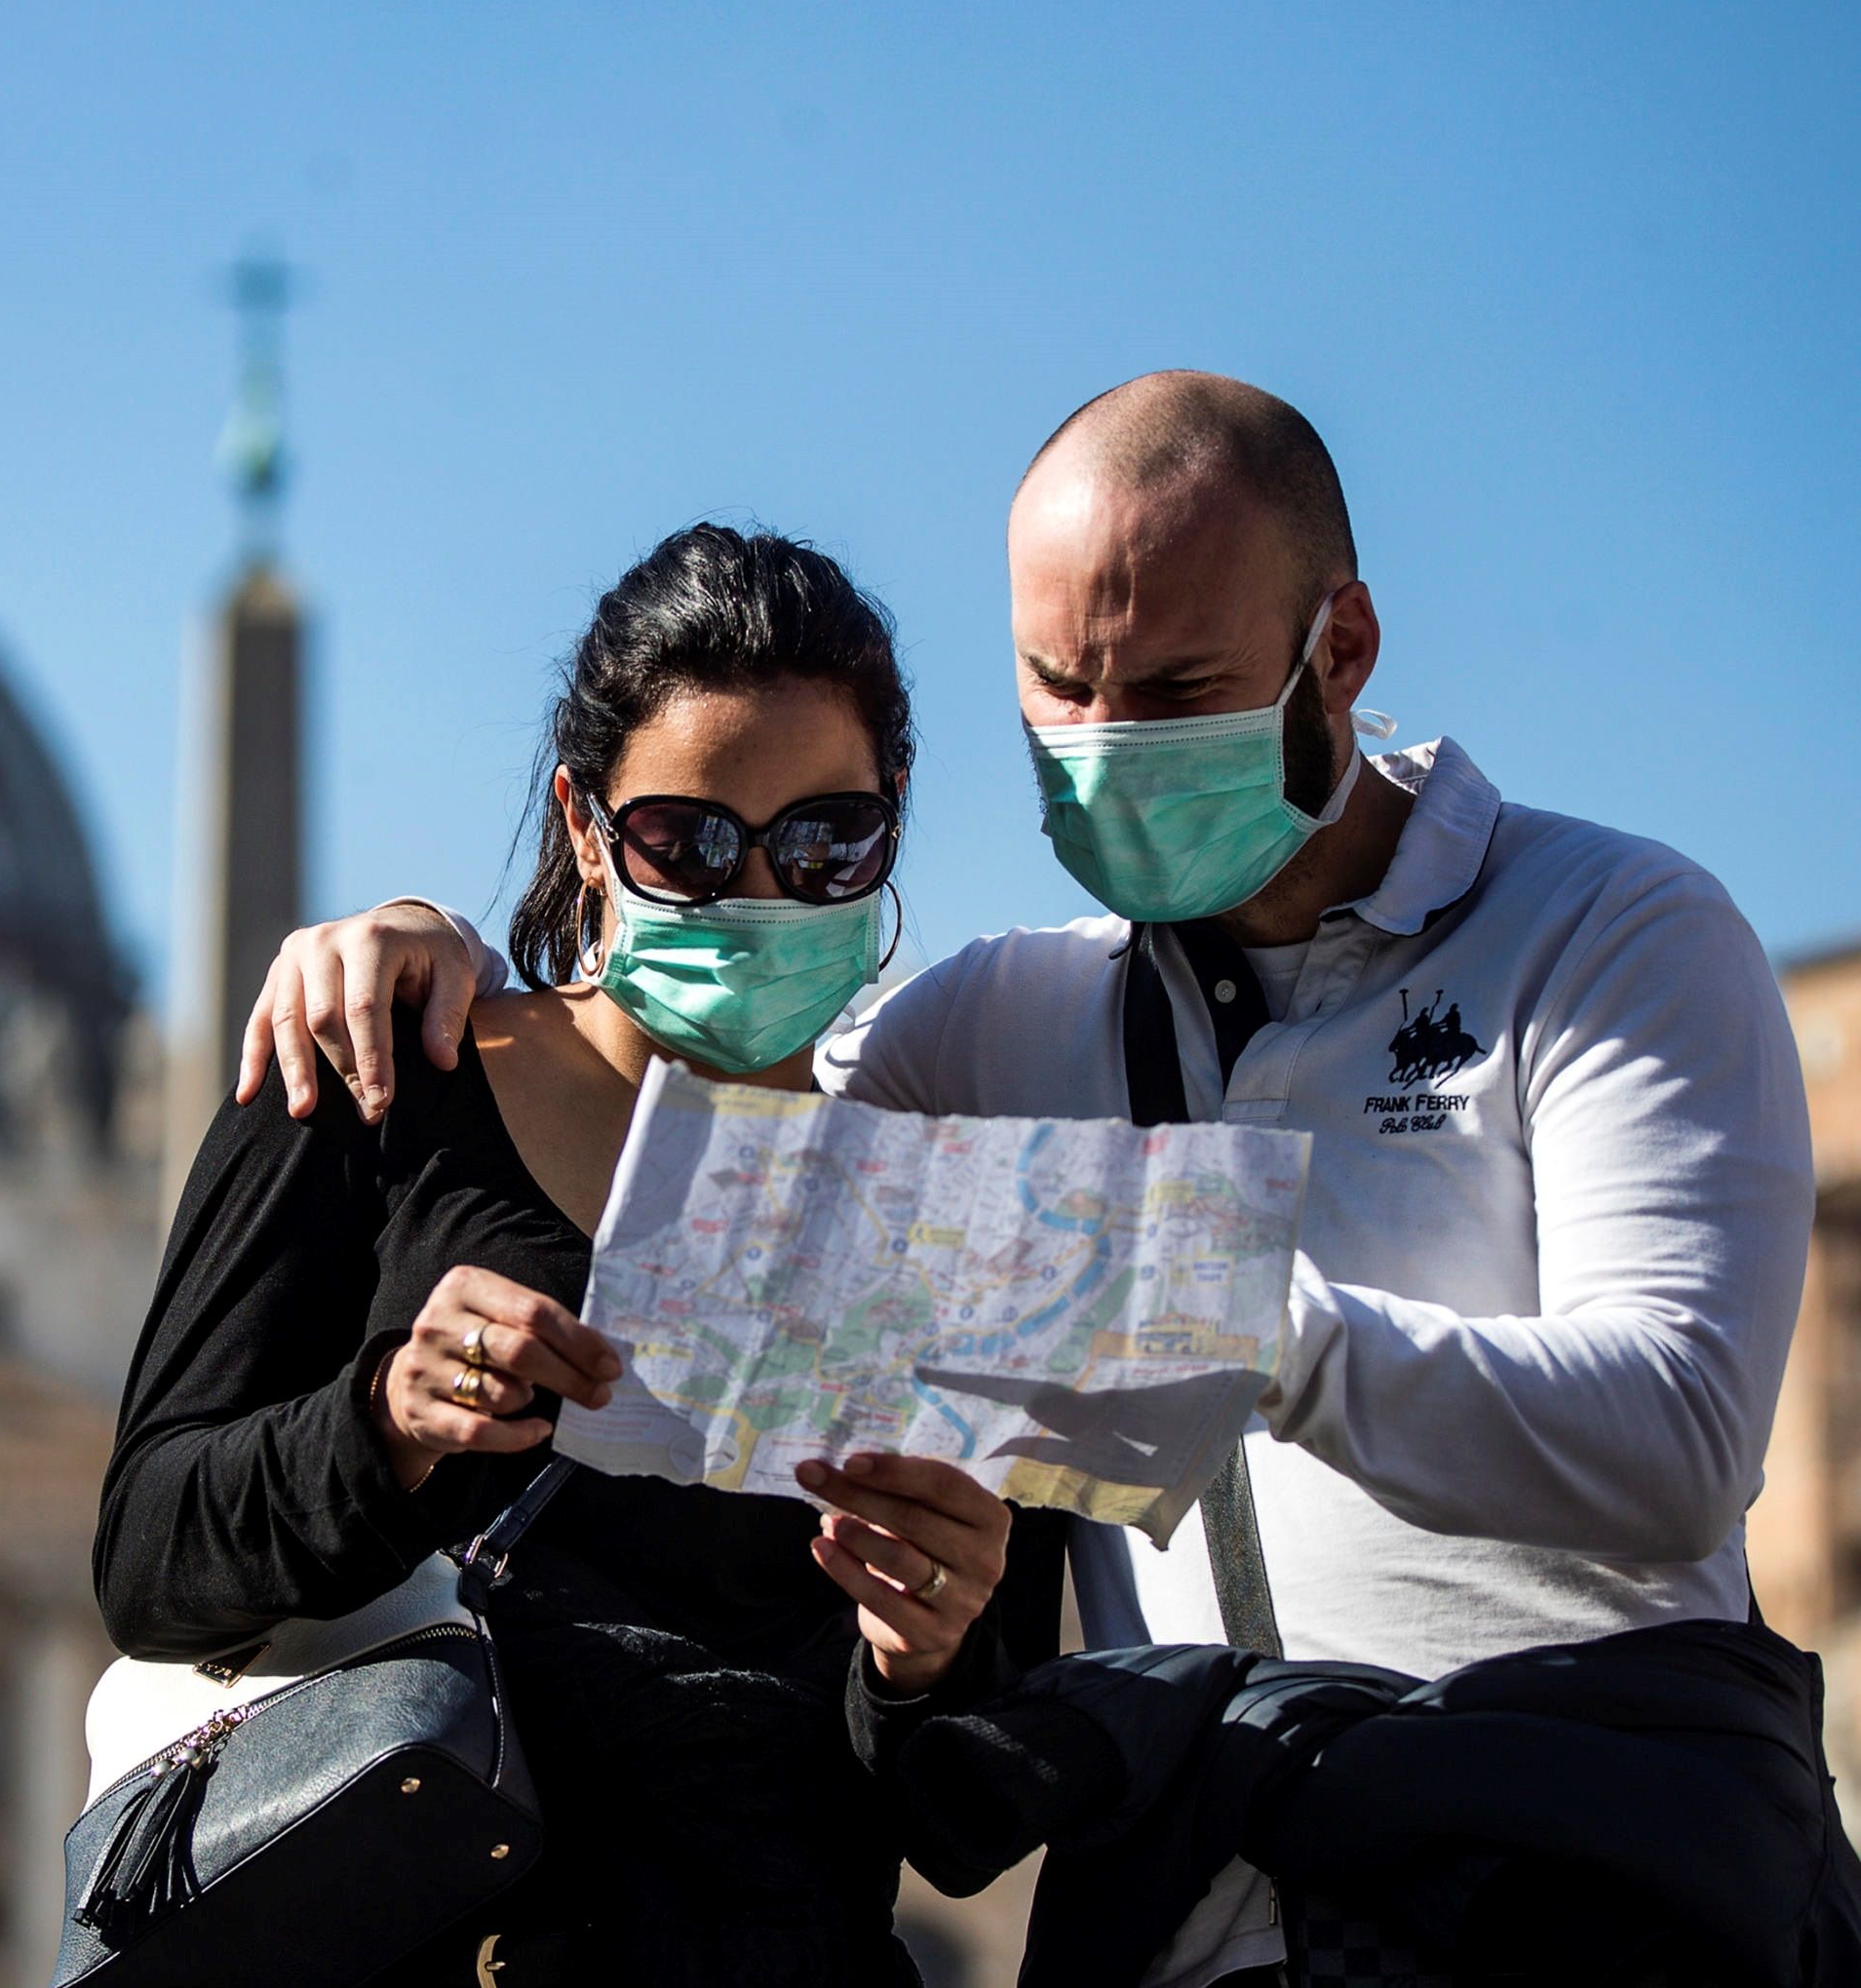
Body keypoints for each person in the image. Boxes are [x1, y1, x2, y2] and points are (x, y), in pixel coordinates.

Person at [232, 373, 1820, 1985]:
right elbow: (704, 1113)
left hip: (1565, 1883)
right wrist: (437, 947)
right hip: (1193, 1914)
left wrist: (1243, 1320)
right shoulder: (1004, 1022)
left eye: (1175, 691)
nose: (1107, 748)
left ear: (1337, 652)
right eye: (1061, 690)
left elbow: (1680, 1437)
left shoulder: (1610, 932)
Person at [96, 526, 1036, 1987]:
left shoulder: (945, 1195)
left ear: (892, 824)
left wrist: (937, 1647)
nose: (761, 894)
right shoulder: (376, 1078)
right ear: (588, 826)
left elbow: (965, 1818)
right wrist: (385, 1423)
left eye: (824, 841)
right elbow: (150, 1561)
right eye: (690, 841)